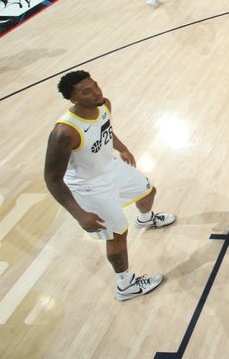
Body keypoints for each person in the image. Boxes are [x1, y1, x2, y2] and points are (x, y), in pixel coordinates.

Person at [43, 71, 175, 301]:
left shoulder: (103, 105)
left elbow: (106, 129)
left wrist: (122, 148)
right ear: (73, 99)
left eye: (95, 85)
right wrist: (80, 214)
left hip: (110, 168)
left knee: (148, 190)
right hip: (89, 187)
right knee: (117, 234)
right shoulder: (64, 133)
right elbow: (52, 179)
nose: (96, 92)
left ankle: (146, 219)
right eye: (86, 91)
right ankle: (126, 285)